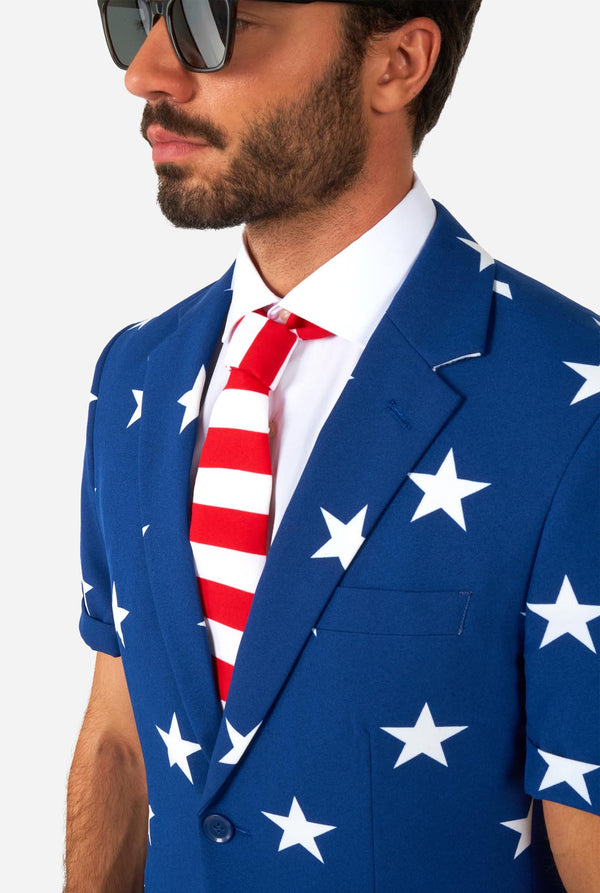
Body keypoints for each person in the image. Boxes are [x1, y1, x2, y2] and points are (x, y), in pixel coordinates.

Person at [65, 1, 600, 890]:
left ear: (397, 62)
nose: (146, 73)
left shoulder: (568, 404)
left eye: (212, 20)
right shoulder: (136, 375)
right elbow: (120, 736)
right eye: (135, 15)